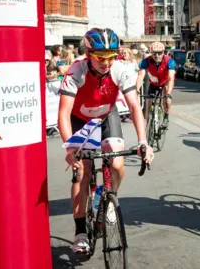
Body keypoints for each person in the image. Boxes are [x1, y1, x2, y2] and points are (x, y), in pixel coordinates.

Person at [58, 27, 154, 254]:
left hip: (106, 116)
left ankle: (107, 196)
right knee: (83, 172)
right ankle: (80, 231)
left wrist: (143, 141)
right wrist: (71, 147)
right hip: (80, 121)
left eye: (111, 57)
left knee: (118, 164)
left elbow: (134, 106)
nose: (106, 63)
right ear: (89, 54)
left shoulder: (120, 70)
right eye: (101, 57)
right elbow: (63, 114)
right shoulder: (76, 72)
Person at [135, 41, 176, 128]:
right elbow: (140, 76)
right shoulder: (146, 61)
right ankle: (146, 121)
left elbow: (171, 78)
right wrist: (137, 90)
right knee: (148, 101)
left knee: (166, 100)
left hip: (165, 82)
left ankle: (166, 116)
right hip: (153, 83)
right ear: (151, 53)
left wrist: (168, 93)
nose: (156, 56)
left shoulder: (169, 61)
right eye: (154, 53)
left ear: (163, 52)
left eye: (159, 53)